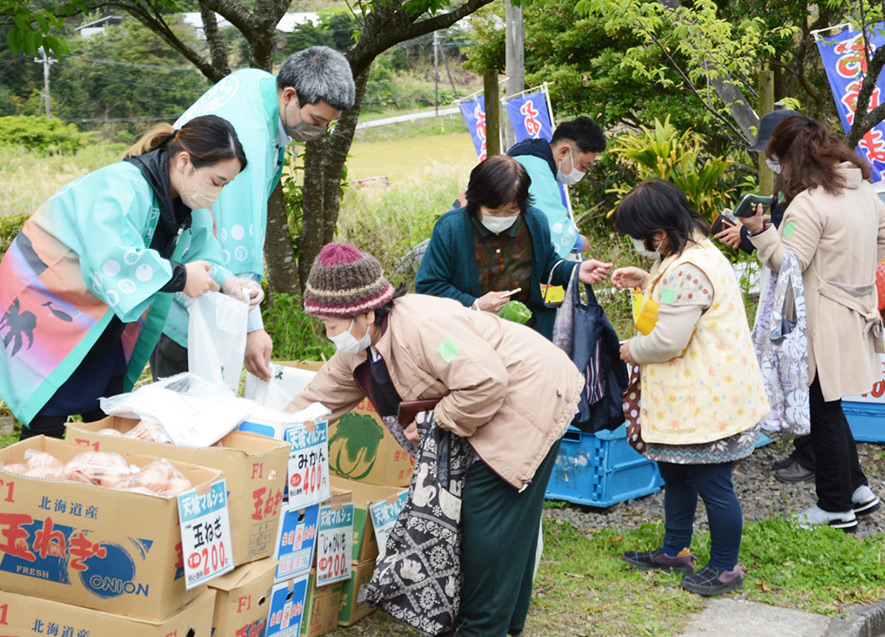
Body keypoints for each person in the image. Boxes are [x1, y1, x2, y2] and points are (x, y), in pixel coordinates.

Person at [286, 242, 607, 636]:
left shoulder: (424, 327)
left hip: (527, 395)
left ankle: (480, 627)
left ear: (365, 313)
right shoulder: (362, 347)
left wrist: (434, 420)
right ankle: (504, 621)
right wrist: (273, 434)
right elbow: (316, 401)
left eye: (331, 325)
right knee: (506, 520)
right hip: (489, 399)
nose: (328, 334)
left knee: (487, 518)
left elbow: (485, 382)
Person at [0, 115, 260, 439]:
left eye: (224, 185)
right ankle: (37, 466)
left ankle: (95, 466)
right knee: (49, 408)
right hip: (49, 298)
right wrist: (180, 277)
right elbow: (109, 257)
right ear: (185, 162)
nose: (217, 193)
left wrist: (230, 282)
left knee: (107, 406)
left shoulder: (188, 203)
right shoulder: (121, 185)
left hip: (101, 313)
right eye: (216, 181)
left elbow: (203, 255)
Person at [151, 46, 356, 382]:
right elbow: (237, 243)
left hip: (178, 260)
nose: (319, 130)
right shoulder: (245, 141)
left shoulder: (256, 84)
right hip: (187, 289)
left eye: (327, 123)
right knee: (187, 402)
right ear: (289, 95)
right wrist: (251, 329)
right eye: (316, 120)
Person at [613, 179, 769, 596]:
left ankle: (725, 567)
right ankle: (675, 550)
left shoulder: (688, 268)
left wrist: (630, 350)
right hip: (700, 395)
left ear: (659, 233)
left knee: (714, 486)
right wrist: (646, 281)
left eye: (639, 237)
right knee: (676, 474)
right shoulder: (692, 250)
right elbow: (677, 298)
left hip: (706, 402)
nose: (638, 244)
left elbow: (668, 340)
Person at [739, 116, 885, 531]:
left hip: (821, 320)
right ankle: (857, 490)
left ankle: (834, 505)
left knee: (820, 409)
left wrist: (759, 231)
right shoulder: (863, 191)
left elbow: (788, 263)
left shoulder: (808, 203)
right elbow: (882, 239)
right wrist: (854, 275)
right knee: (830, 405)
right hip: (855, 309)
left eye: (777, 160)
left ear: (791, 159)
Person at [714, 107, 817, 483]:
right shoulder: (797, 185)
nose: (770, 162)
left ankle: (814, 459)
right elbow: (781, 238)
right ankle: (812, 456)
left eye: (772, 154)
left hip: (802, 299)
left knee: (813, 390)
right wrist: (749, 234)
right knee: (807, 386)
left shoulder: (808, 195)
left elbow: (789, 254)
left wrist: (750, 234)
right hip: (792, 294)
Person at [415, 155, 613, 340]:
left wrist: (575, 271)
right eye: (493, 211)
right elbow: (429, 285)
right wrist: (475, 305)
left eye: (511, 211)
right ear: (475, 202)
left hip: (529, 333)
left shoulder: (534, 221)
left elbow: (547, 264)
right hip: (470, 334)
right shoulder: (451, 228)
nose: (502, 218)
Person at [507, 116, 606, 258]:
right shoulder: (536, 169)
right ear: (563, 152)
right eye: (583, 166)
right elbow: (551, 227)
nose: (583, 172)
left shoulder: (528, 157)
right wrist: (576, 241)